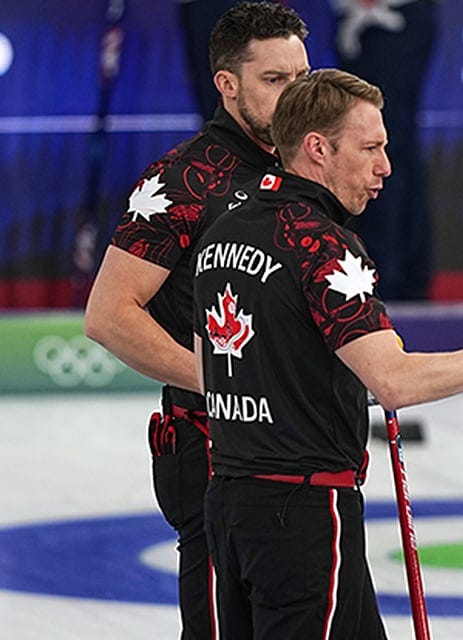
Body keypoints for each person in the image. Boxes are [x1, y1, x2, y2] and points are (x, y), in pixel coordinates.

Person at [191, 68, 463, 639]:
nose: (385, 168)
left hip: (227, 501)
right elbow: (394, 381)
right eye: (370, 148)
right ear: (317, 149)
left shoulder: (222, 228)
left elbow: (220, 360)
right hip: (305, 512)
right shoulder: (321, 242)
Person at [83, 3, 310, 638]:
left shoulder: (308, 170)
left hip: (301, 448)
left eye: (302, 75)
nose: (296, 94)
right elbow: (108, 315)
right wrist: (222, 384)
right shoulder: (185, 179)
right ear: (227, 84)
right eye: (274, 80)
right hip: (212, 449)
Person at [333, 0, 438, 300]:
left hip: (387, 18)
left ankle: (390, 276)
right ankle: (398, 273)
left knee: (382, 145)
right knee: (385, 144)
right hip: (367, 20)